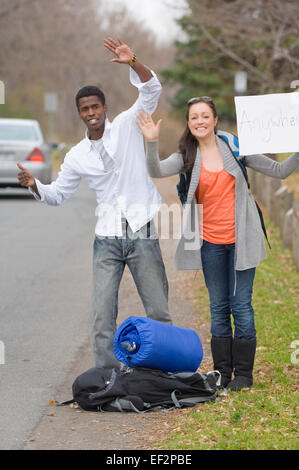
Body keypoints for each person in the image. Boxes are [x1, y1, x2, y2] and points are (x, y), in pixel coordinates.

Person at [17, 37, 172, 369]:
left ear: (105, 108)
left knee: (158, 310)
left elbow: (151, 90)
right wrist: (35, 186)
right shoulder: (76, 156)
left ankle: (163, 372)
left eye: (95, 107)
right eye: (84, 109)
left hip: (141, 232)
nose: (91, 113)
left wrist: (133, 62)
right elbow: (58, 195)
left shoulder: (130, 126)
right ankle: (106, 378)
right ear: (79, 113)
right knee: (103, 315)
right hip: (107, 240)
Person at [136, 98, 299, 391]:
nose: (199, 121)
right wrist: (151, 141)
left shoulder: (234, 148)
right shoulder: (187, 155)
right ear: (189, 123)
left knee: (242, 307)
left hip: (241, 240)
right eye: (194, 117)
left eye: (205, 116)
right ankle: (222, 372)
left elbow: (279, 170)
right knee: (218, 308)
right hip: (209, 243)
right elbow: (156, 170)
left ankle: (245, 375)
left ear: (214, 120)